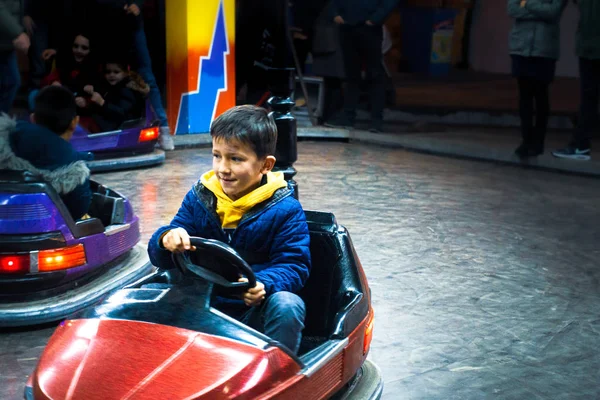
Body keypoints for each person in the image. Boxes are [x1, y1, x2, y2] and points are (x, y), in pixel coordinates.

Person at [148, 105, 311, 354]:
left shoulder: (286, 210)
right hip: (201, 305)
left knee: (288, 304)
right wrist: (165, 238)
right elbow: (166, 247)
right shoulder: (200, 197)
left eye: (236, 159)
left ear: (265, 165)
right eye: (217, 156)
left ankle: (275, 376)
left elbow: (295, 266)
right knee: (150, 291)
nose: (223, 168)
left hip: (250, 316)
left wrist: (264, 284)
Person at [88, 0, 174, 150]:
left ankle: (163, 129)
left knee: (146, 78)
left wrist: (137, 5)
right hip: (105, 21)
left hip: (131, 23)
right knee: (107, 73)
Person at [0, 86, 93, 220]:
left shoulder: (8, 135)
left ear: (33, 118)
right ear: (75, 122)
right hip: (43, 229)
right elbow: (78, 210)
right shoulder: (74, 166)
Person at [325, 0, 397, 133]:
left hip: (370, 27)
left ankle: (376, 120)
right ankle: (348, 116)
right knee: (351, 74)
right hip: (347, 27)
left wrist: (375, 19)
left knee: (374, 74)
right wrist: (334, 13)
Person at [508, 0, 567, 158]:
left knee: (541, 95)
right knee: (524, 96)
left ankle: (538, 142)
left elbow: (552, 12)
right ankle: (526, 140)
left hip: (544, 48)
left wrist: (526, 3)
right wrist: (540, 9)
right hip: (521, 47)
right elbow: (512, 9)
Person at [552, 0, 600, 161]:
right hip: (588, 48)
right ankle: (580, 146)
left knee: (589, 99)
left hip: (589, 47)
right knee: (588, 99)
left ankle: (580, 146)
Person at [29, 33, 99, 110]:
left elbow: (100, 96)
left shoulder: (95, 69)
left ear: (91, 50)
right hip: (61, 101)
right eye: (75, 46)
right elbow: (48, 79)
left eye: (84, 48)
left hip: (77, 109)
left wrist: (86, 101)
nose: (79, 50)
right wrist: (54, 82)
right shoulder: (66, 62)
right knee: (34, 94)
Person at [77, 61, 149, 132]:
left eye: (116, 72)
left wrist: (102, 102)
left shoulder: (127, 90)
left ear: (125, 73)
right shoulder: (111, 86)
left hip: (119, 130)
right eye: (108, 72)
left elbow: (122, 115)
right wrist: (87, 103)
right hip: (108, 126)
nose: (111, 75)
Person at [0, 0, 30, 113]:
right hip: (7, 37)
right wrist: (18, 32)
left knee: (13, 82)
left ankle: (2, 121)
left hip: (6, 44)